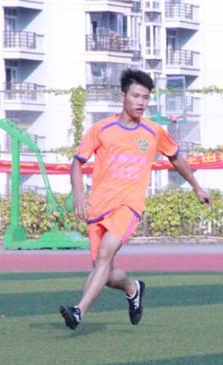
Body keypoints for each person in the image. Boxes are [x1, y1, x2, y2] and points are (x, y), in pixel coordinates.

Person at [59, 68, 211, 330]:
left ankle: (79, 311)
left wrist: (197, 187)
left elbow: (175, 157)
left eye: (146, 97)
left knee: (105, 254)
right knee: (104, 272)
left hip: (129, 206)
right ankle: (132, 288)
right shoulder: (101, 129)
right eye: (136, 96)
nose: (141, 102)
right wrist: (79, 196)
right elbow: (77, 163)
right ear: (123, 96)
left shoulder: (154, 131)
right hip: (98, 207)